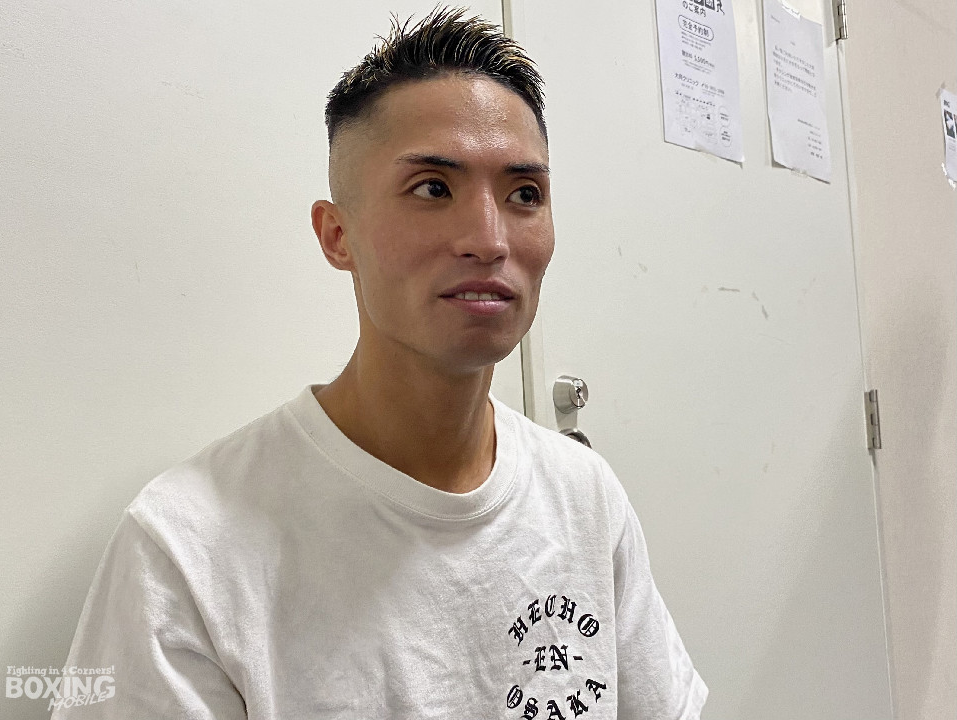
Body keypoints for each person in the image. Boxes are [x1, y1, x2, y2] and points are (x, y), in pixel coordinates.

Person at [53, 8, 708, 718]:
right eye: (433, 188)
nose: (489, 240)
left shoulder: (583, 496)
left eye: (525, 195)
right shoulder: (186, 549)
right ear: (337, 235)